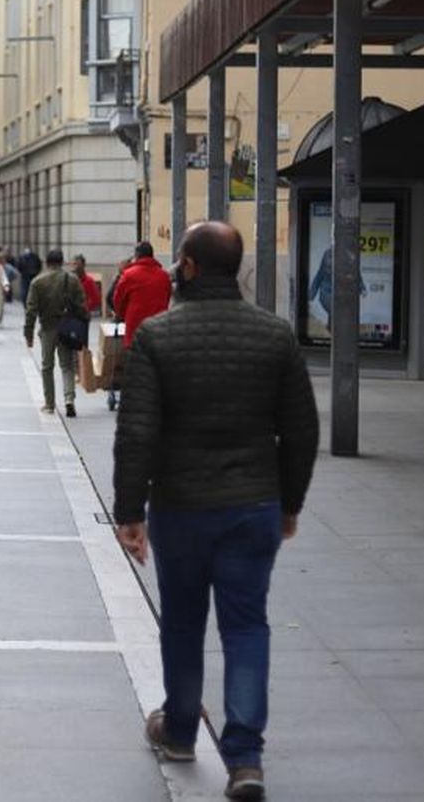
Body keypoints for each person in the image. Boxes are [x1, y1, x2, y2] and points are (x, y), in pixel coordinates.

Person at [113, 222, 319, 795]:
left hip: (181, 506)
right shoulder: (275, 335)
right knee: (247, 625)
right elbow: (301, 430)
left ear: (190, 266)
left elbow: (137, 432)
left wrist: (129, 511)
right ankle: (246, 758)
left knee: (182, 621)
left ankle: (179, 729)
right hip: (253, 505)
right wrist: (290, 503)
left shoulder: (158, 334)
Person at [25, 249, 88, 417]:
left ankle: (50, 403)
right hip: (67, 327)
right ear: (62, 262)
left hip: (47, 328)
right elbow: (82, 305)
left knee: (47, 366)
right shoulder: (72, 279)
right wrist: (83, 325)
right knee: (67, 366)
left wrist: (28, 333)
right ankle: (69, 399)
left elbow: (31, 310)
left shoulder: (37, 282)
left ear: (46, 262)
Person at [113, 241, 173, 350]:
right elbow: (167, 298)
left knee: (136, 362)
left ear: (137, 256)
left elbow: (118, 301)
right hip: (159, 326)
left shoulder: (128, 275)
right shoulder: (164, 276)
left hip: (135, 328)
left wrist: (122, 315)